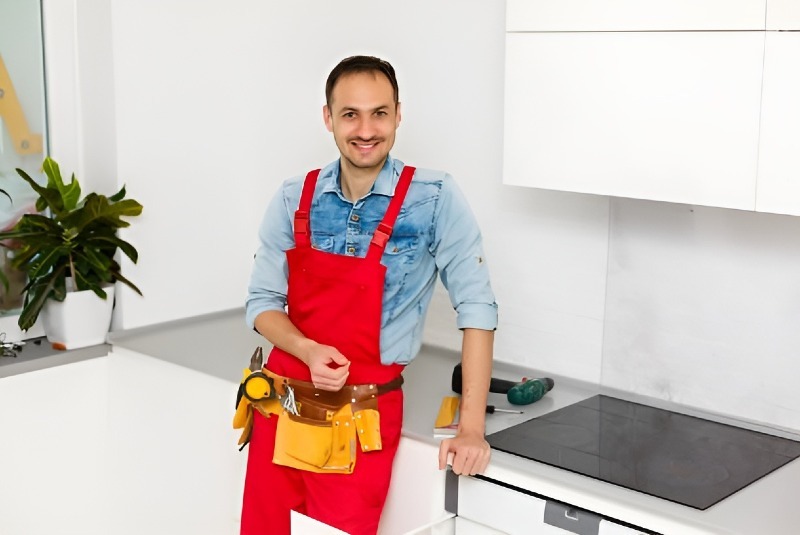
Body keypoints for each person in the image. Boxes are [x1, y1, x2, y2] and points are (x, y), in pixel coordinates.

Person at [241, 55, 498, 535]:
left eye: (379, 113)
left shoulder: (434, 198)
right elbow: (262, 303)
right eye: (350, 114)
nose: (366, 129)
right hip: (281, 408)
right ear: (328, 118)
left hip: (363, 417)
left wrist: (471, 427)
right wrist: (307, 349)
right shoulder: (293, 197)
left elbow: (477, 309)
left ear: (399, 114)